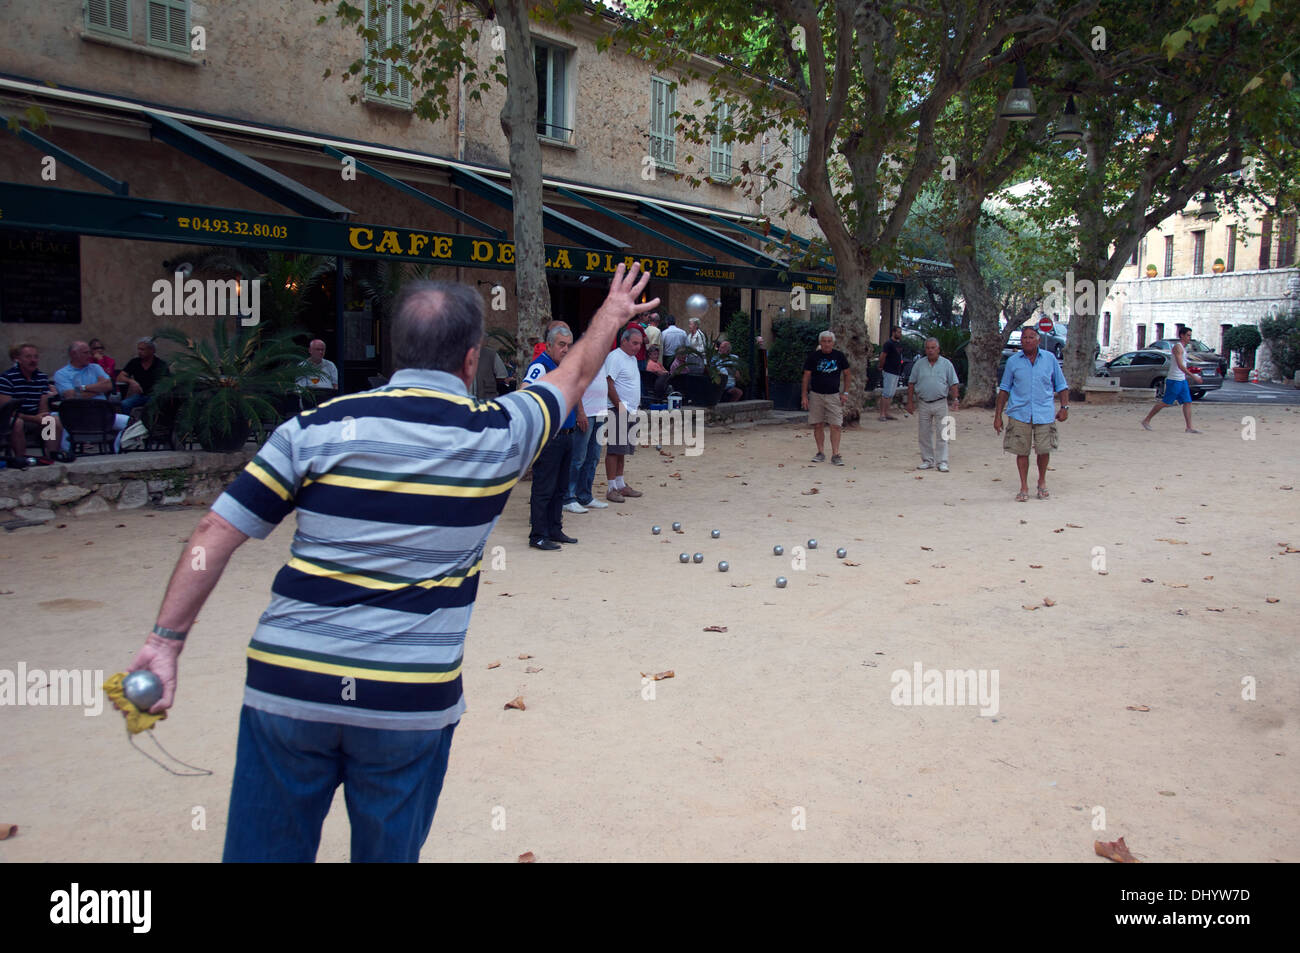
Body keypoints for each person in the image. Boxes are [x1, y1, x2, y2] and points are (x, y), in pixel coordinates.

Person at [125, 264, 658, 863]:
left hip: (289, 683)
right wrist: (611, 314)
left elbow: (215, 530)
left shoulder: (313, 428)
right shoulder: (499, 433)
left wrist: (164, 643)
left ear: (397, 349)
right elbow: (574, 373)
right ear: (470, 359)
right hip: (407, 699)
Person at [994, 326, 1069, 501]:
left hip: (1044, 412)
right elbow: (1004, 389)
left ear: (1038, 340)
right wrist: (998, 416)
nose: (1027, 340)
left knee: (1044, 450)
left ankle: (1042, 482)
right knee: (1022, 451)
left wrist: (1065, 408)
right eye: (1024, 338)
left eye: (1031, 337)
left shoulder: (1050, 359)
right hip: (1020, 413)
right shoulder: (1013, 362)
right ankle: (1023, 487)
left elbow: (1061, 386)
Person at [522, 323, 578, 549]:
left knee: (560, 487)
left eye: (569, 345)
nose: (566, 349)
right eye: (562, 345)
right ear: (549, 345)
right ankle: (538, 535)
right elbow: (526, 389)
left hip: (567, 435)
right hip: (550, 437)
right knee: (544, 487)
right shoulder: (541, 366)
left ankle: (555, 529)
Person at [54, 341, 130, 452]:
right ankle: (53, 452)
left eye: (89, 352)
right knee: (49, 421)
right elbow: (70, 396)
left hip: (103, 416)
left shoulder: (95, 368)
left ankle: (116, 451)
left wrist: (82, 388)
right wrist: (98, 389)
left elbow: (109, 385)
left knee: (132, 423)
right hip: (76, 418)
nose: (90, 356)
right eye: (85, 353)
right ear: (73, 354)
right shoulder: (62, 374)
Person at [563, 337, 611, 515]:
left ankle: (585, 495)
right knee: (578, 458)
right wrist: (580, 412)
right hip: (587, 414)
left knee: (593, 457)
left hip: (600, 413)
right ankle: (568, 497)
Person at [0, 343, 69, 464]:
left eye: (35, 357)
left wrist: (42, 413)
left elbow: (42, 407)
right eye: (28, 357)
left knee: (52, 420)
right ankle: (20, 459)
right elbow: (6, 411)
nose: (33, 360)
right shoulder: (6, 378)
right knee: (17, 423)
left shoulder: (41, 378)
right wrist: (33, 418)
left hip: (34, 417)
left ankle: (51, 456)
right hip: (13, 417)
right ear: (18, 359)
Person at [906, 337, 960, 472]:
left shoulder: (946, 364)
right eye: (928, 348)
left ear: (938, 349)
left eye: (933, 348)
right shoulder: (919, 364)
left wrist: (955, 400)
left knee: (944, 433)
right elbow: (911, 383)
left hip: (941, 402)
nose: (930, 351)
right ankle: (927, 460)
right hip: (923, 403)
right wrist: (910, 402)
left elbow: (953, 383)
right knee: (924, 433)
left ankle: (942, 461)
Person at [603, 325, 644, 503]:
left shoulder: (632, 359)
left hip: (631, 409)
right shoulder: (615, 357)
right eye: (634, 343)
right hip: (618, 409)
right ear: (624, 341)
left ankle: (620, 484)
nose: (637, 347)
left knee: (623, 449)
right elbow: (608, 382)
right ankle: (611, 487)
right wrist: (619, 406)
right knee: (614, 449)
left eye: (640, 344)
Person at [801, 331, 851, 466]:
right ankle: (820, 452)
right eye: (824, 341)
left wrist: (845, 393)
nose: (827, 344)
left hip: (833, 395)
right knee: (817, 424)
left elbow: (847, 374)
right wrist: (804, 395)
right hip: (816, 394)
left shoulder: (839, 356)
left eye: (829, 341)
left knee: (836, 425)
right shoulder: (813, 357)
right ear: (820, 342)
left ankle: (835, 454)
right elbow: (806, 376)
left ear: (833, 343)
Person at [1141, 326, 1202, 434]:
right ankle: (1146, 420)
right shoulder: (1177, 347)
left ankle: (1189, 427)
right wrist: (1193, 376)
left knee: (1188, 402)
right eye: (1188, 335)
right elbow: (1180, 365)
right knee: (1166, 403)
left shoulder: (1183, 348)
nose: (1189, 338)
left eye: (1190, 336)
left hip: (1181, 380)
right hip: (1174, 380)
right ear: (1182, 335)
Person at [117, 337, 170, 414]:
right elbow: (119, 377)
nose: (139, 352)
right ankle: (128, 424)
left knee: (152, 406)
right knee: (125, 404)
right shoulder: (135, 362)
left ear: (151, 350)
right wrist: (132, 382)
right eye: (138, 349)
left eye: (142, 349)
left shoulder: (160, 364)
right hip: (140, 395)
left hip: (155, 396)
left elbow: (167, 382)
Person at [878, 326, 903, 421]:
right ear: (893, 332)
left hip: (896, 371)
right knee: (886, 393)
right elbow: (883, 355)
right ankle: (882, 414)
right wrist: (881, 365)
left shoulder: (898, 344)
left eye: (900, 332)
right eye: (898, 332)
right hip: (889, 370)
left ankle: (887, 412)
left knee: (891, 393)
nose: (900, 334)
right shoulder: (888, 344)